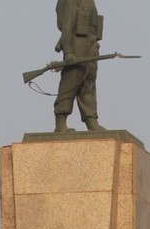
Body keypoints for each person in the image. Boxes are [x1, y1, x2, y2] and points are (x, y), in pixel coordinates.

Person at [53, 0, 106, 132]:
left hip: (91, 42)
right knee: (71, 80)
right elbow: (67, 24)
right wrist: (68, 51)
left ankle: (91, 119)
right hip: (77, 42)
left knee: (89, 81)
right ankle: (61, 120)